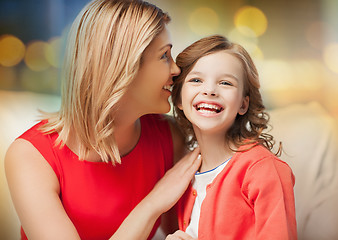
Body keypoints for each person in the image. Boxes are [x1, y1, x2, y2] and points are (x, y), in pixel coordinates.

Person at [4, 0, 202, 239]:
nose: (176, 70)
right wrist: (153, 204)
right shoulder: (31, 156)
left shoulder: (169, 137)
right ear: (123, 67)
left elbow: (184, 232)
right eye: (164, 56)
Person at [168, 35, 297, 239]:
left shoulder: (263, 170)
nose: (210, 90)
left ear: (243, 105)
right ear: (179, 99)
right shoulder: (182, 173)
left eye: (226, 83)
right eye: (196, 80)